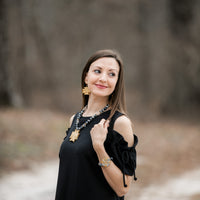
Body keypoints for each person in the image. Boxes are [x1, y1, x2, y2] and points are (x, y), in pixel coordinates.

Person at [55, 49, 138, 200]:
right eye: (97, 71)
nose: (103, 78)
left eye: (111, 74)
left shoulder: (119, 123)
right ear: (86, 77)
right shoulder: (74, 119)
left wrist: (99, 148)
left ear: (117, 82)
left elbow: (122, 188)